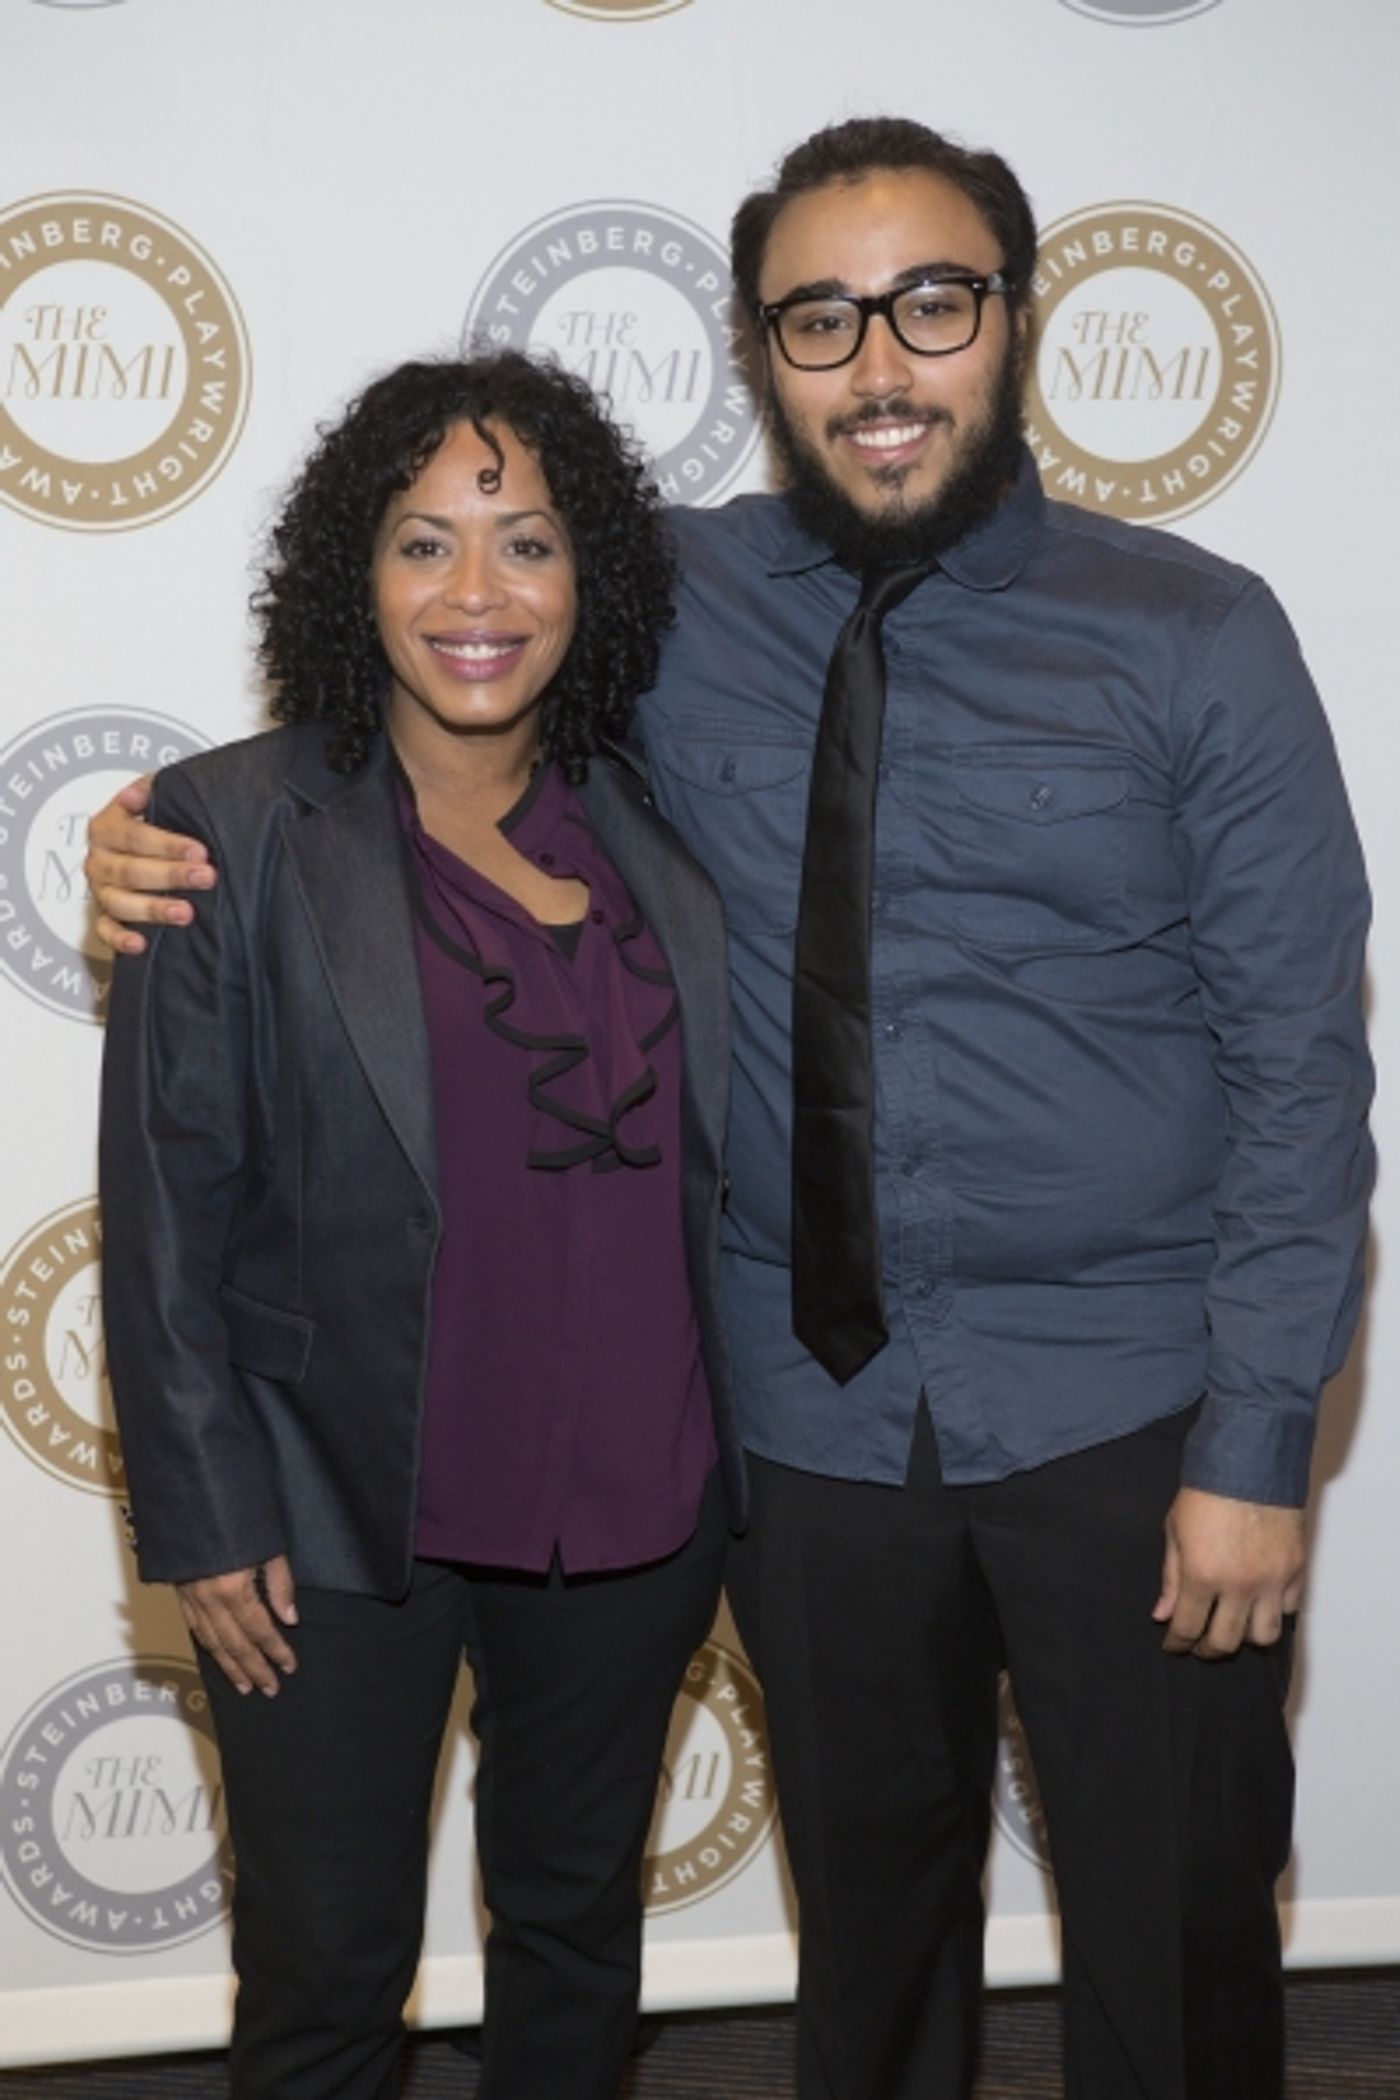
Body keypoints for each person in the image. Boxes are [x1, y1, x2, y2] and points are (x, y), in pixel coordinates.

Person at [88, 118, 1373, 2100]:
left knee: (1178, 1934)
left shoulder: (1195, 636)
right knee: (864, 1947)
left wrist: (1260, 1436)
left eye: (929, 305)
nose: (878, 364)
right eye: (818, 319)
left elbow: (1304, 1068)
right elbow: (433, 636)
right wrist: (156, 827)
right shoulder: (660, 595)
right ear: (763, 351)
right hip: (806, 1421)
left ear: (1013, 320)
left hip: (1128, 1409)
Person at [97, 349, 745, 2100]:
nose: (477, 594)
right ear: (349, 574)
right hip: (329, 1509)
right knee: (324, 1976)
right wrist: (207, 1507)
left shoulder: (659, 822)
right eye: (422, 543)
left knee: (574, 1940)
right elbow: (167, 1208)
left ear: (586, 578)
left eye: (526, 545)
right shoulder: (224, 830)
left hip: (635, 1497)